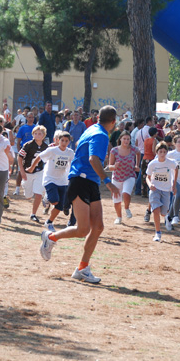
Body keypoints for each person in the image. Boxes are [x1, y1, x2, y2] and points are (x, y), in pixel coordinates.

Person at [39, 105, 120, 284]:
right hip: (81, 181)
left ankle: (82, 268)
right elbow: (93, 159)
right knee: (83, 229)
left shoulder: (92, 128)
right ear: (113, 122)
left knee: (98, 227)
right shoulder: (100, 135)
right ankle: (50, 237)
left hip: (89, 182)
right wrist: (108, 181)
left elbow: (79, 147)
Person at [27, 131, 75, 231]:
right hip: (50, 179)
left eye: (66, 141)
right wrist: (32, 167)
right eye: (62, 140)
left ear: (69, 142)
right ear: (58, 140)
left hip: (63, 181)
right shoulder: (52, 150)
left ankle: (49, 222)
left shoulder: (70, 152)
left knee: (59, 207)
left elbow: (74, 164)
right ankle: (46, 198)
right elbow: (39, 156)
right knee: (54, 200)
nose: (64, 143)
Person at [145, 141, 178, 242]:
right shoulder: (152, 164)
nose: (162, 154)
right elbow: (148, 177)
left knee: (163, 213)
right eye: (160, 152)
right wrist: (150, 184)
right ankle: (158, 232)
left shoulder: (170, 162)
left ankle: (166, 217)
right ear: (157, 152)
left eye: (164, 152)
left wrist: (174, 184)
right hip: (155, 189)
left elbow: (176, 169)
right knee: (156, 210)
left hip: (166, 190)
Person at [108, 131, 140, 224]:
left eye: (128, 139)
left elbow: (138, 153)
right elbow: (110, 166)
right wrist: (114, 166)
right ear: (120, 139)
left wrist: (137, 165)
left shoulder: (133, 149)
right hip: (117, 177)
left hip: (129, 175)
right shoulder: (114, 150)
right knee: (116, 199)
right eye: (124, 139)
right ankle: (119, 217)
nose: (126, 141)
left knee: (126, 193)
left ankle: (127, 208)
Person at [18, 125, 48, 222]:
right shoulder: (28, 145)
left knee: (38, 194)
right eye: (35, 133)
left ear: (44, 135)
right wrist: (22, 171)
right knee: (28, 196)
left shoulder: (45, 147)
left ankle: (33, 214)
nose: (38, 135)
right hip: (28, 173)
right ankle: (26, 188)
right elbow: (19, 157)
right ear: (33, 134)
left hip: (39, 172)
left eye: (40, 134)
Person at [14, 111, 37, 195]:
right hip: (24, 151)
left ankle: (31, 189)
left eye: (32, 117)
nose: (31, 119)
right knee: (21, 170)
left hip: (33, 152)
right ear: (26, 118)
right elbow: (18, 141)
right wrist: (19, 152)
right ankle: (17, 188)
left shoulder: (36, 128)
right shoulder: (22, 128)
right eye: (29, 117)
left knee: (33, 170)